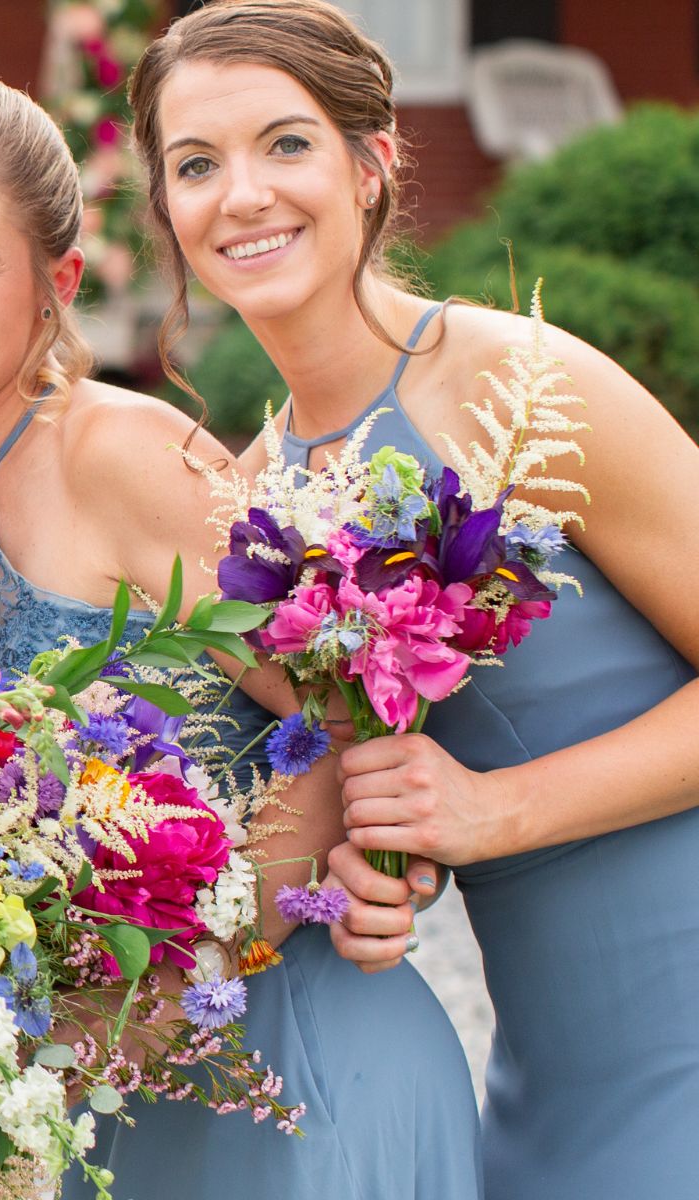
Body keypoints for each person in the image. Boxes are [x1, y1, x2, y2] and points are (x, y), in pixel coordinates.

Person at [0, 69, 478, 1195]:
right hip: (88, 1088)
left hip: (275, 1066)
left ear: (58, 283)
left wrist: (171, 988)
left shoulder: (123, 452)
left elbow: (336, 721)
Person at [131, 2, 699, 1195]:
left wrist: (491, 814)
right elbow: (366, 775)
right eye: (196, 165)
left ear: (372, 160)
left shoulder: (521, 386)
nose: (241, 195)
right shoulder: (254, 510)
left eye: (285, 144)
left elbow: (479, 793)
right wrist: (383, 874)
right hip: (550, 1069)